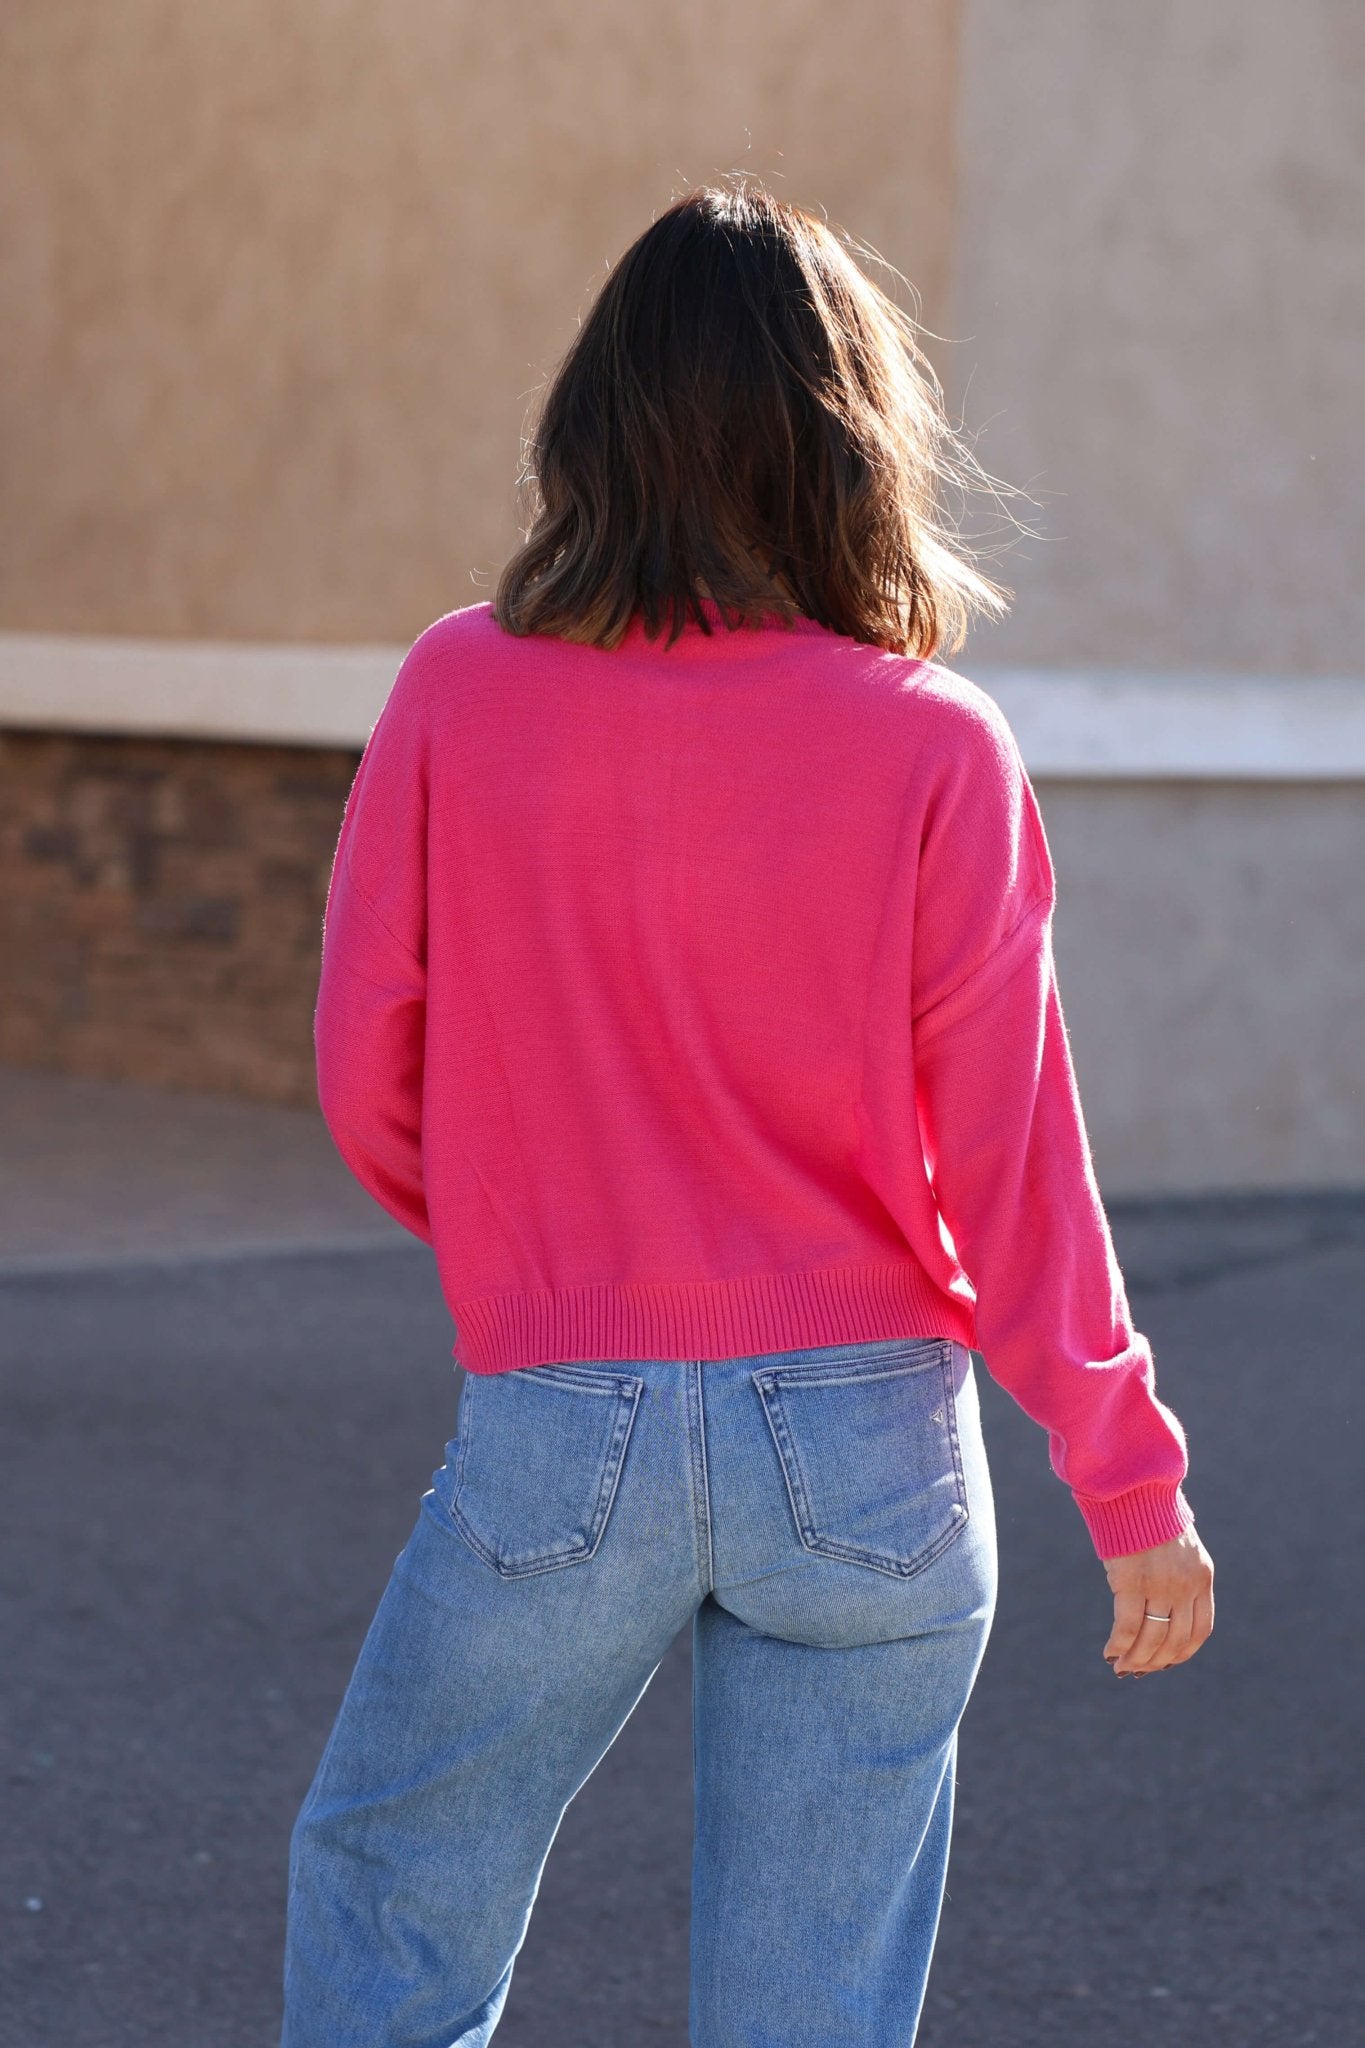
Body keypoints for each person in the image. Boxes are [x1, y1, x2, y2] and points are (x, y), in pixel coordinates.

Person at [282, 176, 1215, 2048]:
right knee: (809, 2013)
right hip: (870, 1447)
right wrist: (1128, 1476)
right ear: (849, 444)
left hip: (560, 1422)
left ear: (592, 422)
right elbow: (1016, 1155)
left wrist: (533, 1249)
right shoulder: (933, 740)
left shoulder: (463, 690)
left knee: (395, 1891)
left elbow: (365, 1066)